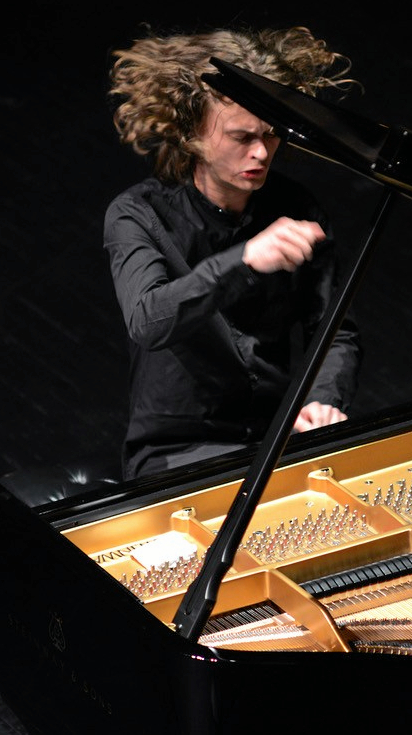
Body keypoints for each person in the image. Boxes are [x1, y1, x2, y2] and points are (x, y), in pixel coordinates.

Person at [104, 25, 362, 480]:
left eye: (271, 134)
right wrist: (242, 260)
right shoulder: (137, 214)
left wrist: (322, 400)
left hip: (275, 439)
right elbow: (148, 321)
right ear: (190, 133)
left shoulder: (297, 207)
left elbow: (333, 331)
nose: (262, 153)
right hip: (177, 452)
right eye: (242, 137)